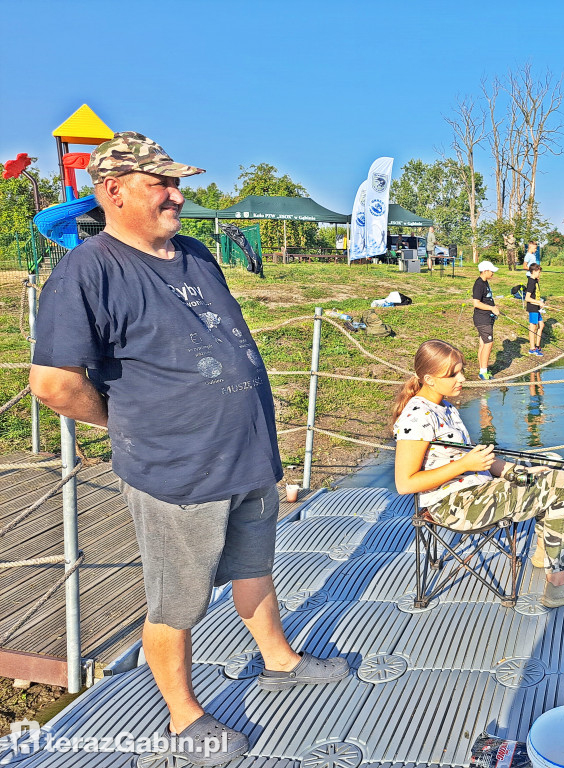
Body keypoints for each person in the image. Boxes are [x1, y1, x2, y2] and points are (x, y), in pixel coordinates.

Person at [28, 132, 348, 766]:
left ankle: (279, 660)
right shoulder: (88, 269)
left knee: (254, 566)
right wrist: (124, 422)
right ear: (113, 191)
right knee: (177, 598)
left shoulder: (196, 252)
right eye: (161, 184)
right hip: (176, 468)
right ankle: (183, 717)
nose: (178, 194)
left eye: (178, 182)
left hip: (247, 455)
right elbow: (54, 383)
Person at [392, 340, 564, 608]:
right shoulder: (417, 416)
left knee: (551, 471)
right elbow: (404, 483)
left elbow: (481, 460)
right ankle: (558, 586)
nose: (462, 379)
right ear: (429, 379)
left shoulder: (445, 407)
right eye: (452, 374)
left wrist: (520, 473)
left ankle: (546, 553)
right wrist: (464, 465)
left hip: (477, 492)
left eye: (462, 370)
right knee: (562, 485)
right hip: (455, 505)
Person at [472, 260, 499, 379]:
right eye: (491, 270)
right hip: (482, 319)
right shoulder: (478, 284)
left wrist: (493, 310)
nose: (493, 272)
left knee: (483, 343)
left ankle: (483, 370)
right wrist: (491, 308)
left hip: (487, 317)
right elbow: (476, 303)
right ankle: (483, 372)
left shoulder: (485, 282)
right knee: (489, 343)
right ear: (484, 271)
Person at [525, 262, 546, 355]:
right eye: (538, 272)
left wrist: (540, 303)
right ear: (533, 271)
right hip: (532, 307)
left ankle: (537, 346)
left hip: (536, 307)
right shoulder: (531, 282)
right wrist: (538, 302)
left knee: (541, 325)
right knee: (532, 328)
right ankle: (532, 349)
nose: (539, 274)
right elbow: (527, 298)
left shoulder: (535, 281)